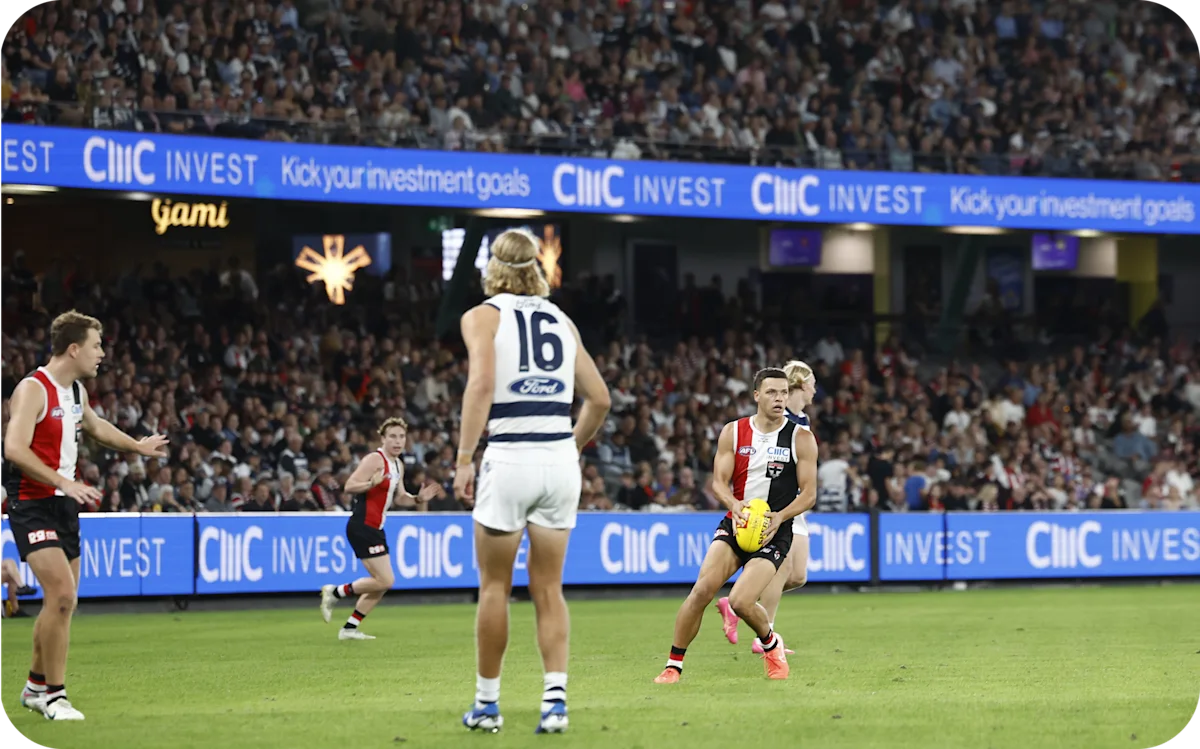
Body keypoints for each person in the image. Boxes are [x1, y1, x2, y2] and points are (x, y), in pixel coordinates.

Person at [453, 229, 611, 734]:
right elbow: (600, 399)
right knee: (548, 588)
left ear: (493, 268)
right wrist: (571, 446)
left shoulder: (482, 316)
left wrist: (463, 458)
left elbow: (481, 384)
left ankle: (487, 705)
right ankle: (555, 703)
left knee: (494, 587)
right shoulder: (561, 319)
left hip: (510, 456)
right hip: (558, 461)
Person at [3, 310, 169, 720]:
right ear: (74, 348)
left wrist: (137, 446)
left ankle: (34, 687)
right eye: (97, 345)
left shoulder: (75, 392)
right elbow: (14, 448)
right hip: (32, 503)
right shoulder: (33, 389)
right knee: (61, 594)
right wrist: (63, 480)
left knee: (63, 602)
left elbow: (96, 426)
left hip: (63, 504)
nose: (102, 353)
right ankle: (54, 696)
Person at [654, 367, 817, 683]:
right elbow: (718, 482)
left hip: (774, 531)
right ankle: (673, 666)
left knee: (741, 602)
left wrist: (780, 517)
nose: (779, 398)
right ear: (756, 395)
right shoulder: (734, 432)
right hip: (737, 523)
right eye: (771, 392)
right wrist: (733, 504)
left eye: (784, 392)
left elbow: (809, 494)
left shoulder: (801, 438)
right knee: (701, 590)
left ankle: (770, 644)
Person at [715, 360, 818, 654]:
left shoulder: (801, 421)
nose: (815, 390)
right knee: (782, 567)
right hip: (775, 507)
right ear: (802, 385)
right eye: (812, 383)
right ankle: (764, 634)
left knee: (797, 576)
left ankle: (738, 603)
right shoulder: (780, 421)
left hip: (794, 505)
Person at [319, 417, 439, 640]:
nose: (398, 441)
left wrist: (417, 498)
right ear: (383, 438)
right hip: (362, 525)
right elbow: (349, 486)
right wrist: (370, 484)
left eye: (401, 436)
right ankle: (335, 592)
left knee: (381, 584)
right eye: (392, 436)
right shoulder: (375, 459)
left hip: (376, 527)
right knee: (386, 580)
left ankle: (349, 628)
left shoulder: (398, 464)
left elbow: (400, 497)